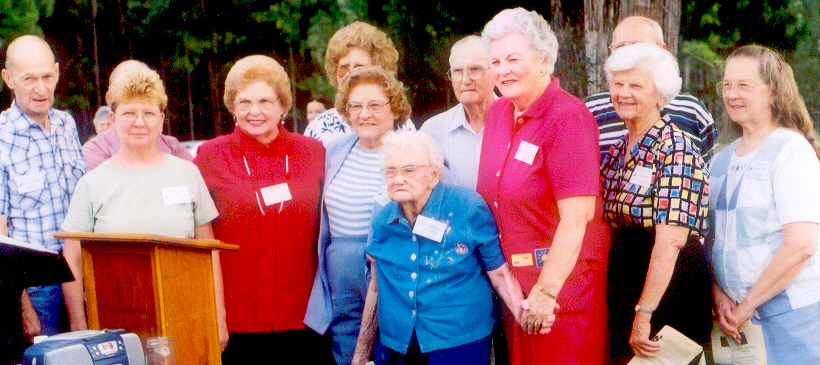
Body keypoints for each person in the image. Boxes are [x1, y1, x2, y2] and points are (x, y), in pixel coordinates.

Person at [475, 8, 610, 365]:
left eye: (514, 59)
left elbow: (576, 217)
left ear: (544, 60)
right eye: (496, 61)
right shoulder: (499, 113)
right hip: (515, 294)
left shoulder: (568, 117)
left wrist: (546, 291)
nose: (503, 69)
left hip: (560, 296)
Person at [60, 67, 228, 348]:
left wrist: (219, 317)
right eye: (129, 113)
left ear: (161, 119)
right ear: (113, 119)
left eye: (149, 113)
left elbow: (208, 252)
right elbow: (72, 260)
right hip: (114, 326)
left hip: (186, 317)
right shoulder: (91, 184)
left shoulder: (187, 174)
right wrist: (79, 325)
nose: (140, 122)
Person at [193, 55, 331, 364]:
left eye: (265, 101)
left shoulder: (313, 152)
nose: (254, 111)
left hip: (305, 318)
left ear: (283, 105)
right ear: (232, 106)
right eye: (244, 102)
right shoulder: (210, 156)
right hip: (237, 322)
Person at [351, 130, 524, 365]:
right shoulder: (383, 221)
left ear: (434, 175)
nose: (397, 178)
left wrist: (527, 315)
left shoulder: (467, 207)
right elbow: (375, 287)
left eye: (409, 170)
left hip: (458, 341)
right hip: (396, 344)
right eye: (390, 171)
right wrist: (361, 354)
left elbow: (500, 275)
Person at [599, 43, 711, 364]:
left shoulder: (674, 149)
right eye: (618, 84)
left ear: (660, 95)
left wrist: (644, 313)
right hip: (628, 286)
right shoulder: (619, 149)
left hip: (668, 291)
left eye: (636, 85)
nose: (624, 93)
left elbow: (671, 242)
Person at [710, 45, 820, 365]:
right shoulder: (720, 161)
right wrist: (718, 295)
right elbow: (710, 242)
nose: (732, 94)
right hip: (738, 326)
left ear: (773, 92)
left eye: (744, 85)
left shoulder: (791, 152)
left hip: (793, 323)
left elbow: (801, 246)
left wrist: (746, 307)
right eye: (727, 85)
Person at [305, 65, 412, 365]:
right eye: (356, 106)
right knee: (346, 341)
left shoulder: (408, 151)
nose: (364, 114)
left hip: (388, 263)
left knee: (391, 341)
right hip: (339, 260)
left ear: (394, 108)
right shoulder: (335, 149)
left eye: (375, 105)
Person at [0, 35, 88, 336]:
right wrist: (22, 305)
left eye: (47, 76)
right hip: (35, 290)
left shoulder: (66, 125)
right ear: (8, 79)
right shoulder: (1, 138)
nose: (41, 88)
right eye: (29, 79)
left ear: (57, 72)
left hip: (81, 276)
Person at [585, 16, 718, 161]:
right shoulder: (591, 110)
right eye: (620, 47)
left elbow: (709, 172)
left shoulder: (693, 111)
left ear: (662, 51)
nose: (628, 54)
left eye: (639, 46)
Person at [304, 21, 415, 146]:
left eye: (359, 68)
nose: (350, 75)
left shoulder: (401, 124)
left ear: (378, 73)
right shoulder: (318, 127)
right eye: (344, 67)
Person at [82, 60, 192, 170]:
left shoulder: (173, 148)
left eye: (145, 86)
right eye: (126, 88)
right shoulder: (95, 150)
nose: (137, 92)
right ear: (109, 99)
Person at [420, 35, 496, 190]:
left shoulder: (519, 122)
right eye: (457, 71)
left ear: (495, 70)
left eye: (475, 69)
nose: (465, 80)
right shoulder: (432, 132)